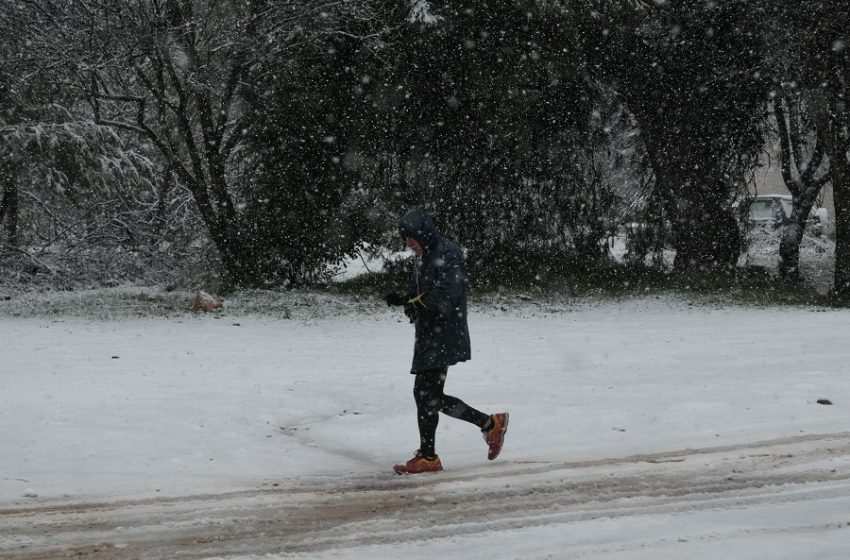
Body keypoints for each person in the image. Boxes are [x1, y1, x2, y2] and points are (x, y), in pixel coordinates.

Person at [384, 208, 508, 474]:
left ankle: (430, 456)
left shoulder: (447, 253)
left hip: (444, 334)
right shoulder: (426, 255)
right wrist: (404, 299)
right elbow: (422, 292)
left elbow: (448, 294)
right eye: (405, 240)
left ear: (422, 234)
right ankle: (489, 424)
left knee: (425, 394)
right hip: (430, 333)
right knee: (429, 395)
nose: (408, 244)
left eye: (410, 239)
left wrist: (419, 304)